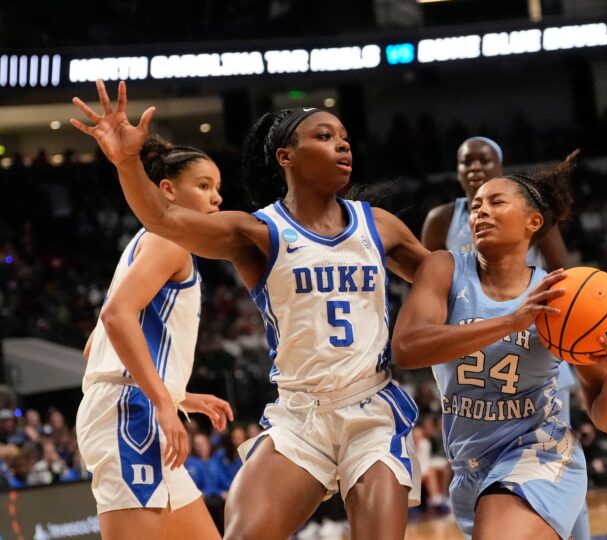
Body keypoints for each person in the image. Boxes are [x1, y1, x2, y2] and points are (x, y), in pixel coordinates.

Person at [71, 80, 429, 540]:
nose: (341, 142)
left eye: (343, 136)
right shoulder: (247, 232)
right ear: (286, 156)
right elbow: (155, 233)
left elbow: (448, 284)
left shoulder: (377, 226)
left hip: (369, 406)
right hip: (290, 415)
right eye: (323, 135)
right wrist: (126, 164)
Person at [392, 169, 607, 539]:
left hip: (540, 453)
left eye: (496, 202)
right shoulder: (445, 268)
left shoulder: (560, 296)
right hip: (470, 467)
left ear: (532, 222)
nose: (480, 212)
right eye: (475, 207)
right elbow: (406, 349)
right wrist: (512, 321)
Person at [420, 136, 591, 539]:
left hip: (533, 346)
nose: (474, 168)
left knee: (552, 462)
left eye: (484, 160)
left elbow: (564, 277)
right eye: (465, 162)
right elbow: (420, 280)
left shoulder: (529, 213)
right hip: (470, 345)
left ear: (500, 166)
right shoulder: (443, 219)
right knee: (479, 460)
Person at [74, 133, 234, 540]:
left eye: (217, 188)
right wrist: (163, 400)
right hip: (132, 416)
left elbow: (96, 347)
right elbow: (115, 318)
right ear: (168, 190)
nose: (216, 198)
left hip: (135, 409)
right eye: (203, 186)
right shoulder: (169, 240)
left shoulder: (147, 244)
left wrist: (179, 394)